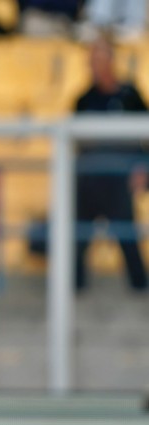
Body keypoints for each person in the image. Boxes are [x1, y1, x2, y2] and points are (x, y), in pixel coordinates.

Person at [73, 35, 148, 291]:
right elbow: (75, 144)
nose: (94, 65)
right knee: (77, 237)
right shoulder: (83, 100)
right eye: (91, 60)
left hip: (119, 179)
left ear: (111, 62)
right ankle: (74, 287)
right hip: (90, 180)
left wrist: (143, 167)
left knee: (127, 236)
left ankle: (139, 286)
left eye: (99, 59)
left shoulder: (130, 96)